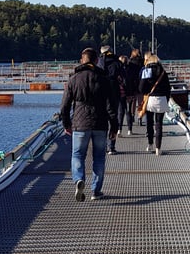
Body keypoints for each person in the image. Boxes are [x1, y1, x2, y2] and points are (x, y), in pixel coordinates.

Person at [59, 47, 118, 201]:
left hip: (80, 123)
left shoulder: (73, 79)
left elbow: (64, 106)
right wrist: (114, 126)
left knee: (78, 155)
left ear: (82, 60)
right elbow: (111, 105)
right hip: (100, 123)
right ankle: (96, 191)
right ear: (97, 60)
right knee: (99, 157)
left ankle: (79, 179)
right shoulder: (104, 79)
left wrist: (66, 124)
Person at [139, 53, 171, 156]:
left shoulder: (146, 71)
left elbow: (141, 88)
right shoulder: (163, 72)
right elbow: (168, 88)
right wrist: (166, 98)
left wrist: (146, 92)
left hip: (151, 99)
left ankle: (150, 144)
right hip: (162, 99)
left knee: (149, 122)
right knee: (159, 124)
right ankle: (158, 148)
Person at [97, 45, 125, 154]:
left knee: (102, 119)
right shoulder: (117, 62)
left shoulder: (98, 62)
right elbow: (123, 77)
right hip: (114, 92)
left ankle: (101, 146)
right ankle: (111, 146)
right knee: (113, 118)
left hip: (100, 92)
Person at [122, 48, 143, 135]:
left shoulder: (131, 62)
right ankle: (140, 117)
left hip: (133, 84)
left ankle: (132, 115)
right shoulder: (142, 62)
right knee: (141, 101)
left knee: (133, 101)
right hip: (141, 83)